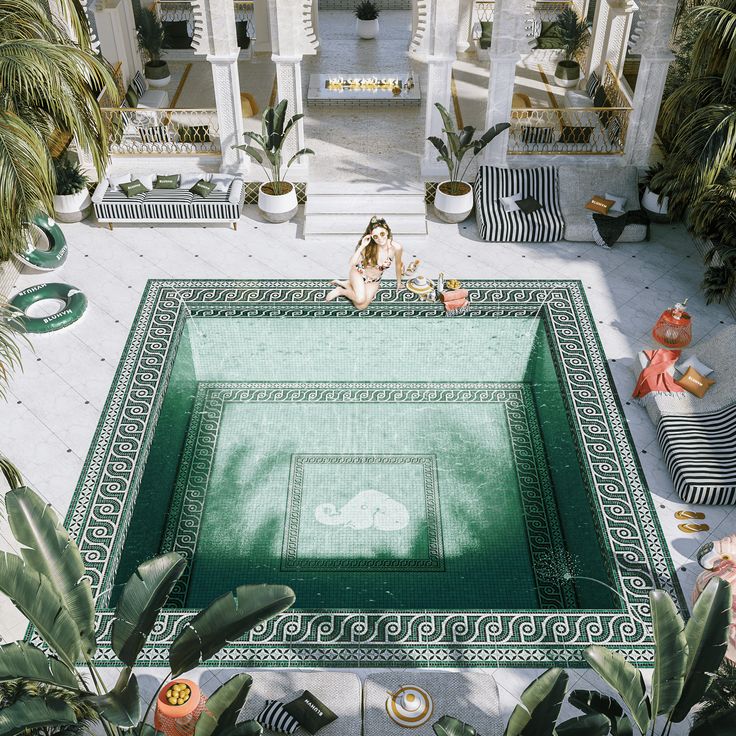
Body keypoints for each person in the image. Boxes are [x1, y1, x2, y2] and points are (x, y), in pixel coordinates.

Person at [325, 216, 404, 310]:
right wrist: (362, 246)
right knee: (359, 299)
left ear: (387, 231)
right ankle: (340, 291)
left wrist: (399, 283)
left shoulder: (396, 247)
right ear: (372, 237)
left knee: (361, 306)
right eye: (375, 236)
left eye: (382, 234)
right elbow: (352, 263)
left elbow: (398, 264)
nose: (380, 238)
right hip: (359, 274)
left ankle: (348, 284)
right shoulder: (369, 247)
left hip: (374, 280)